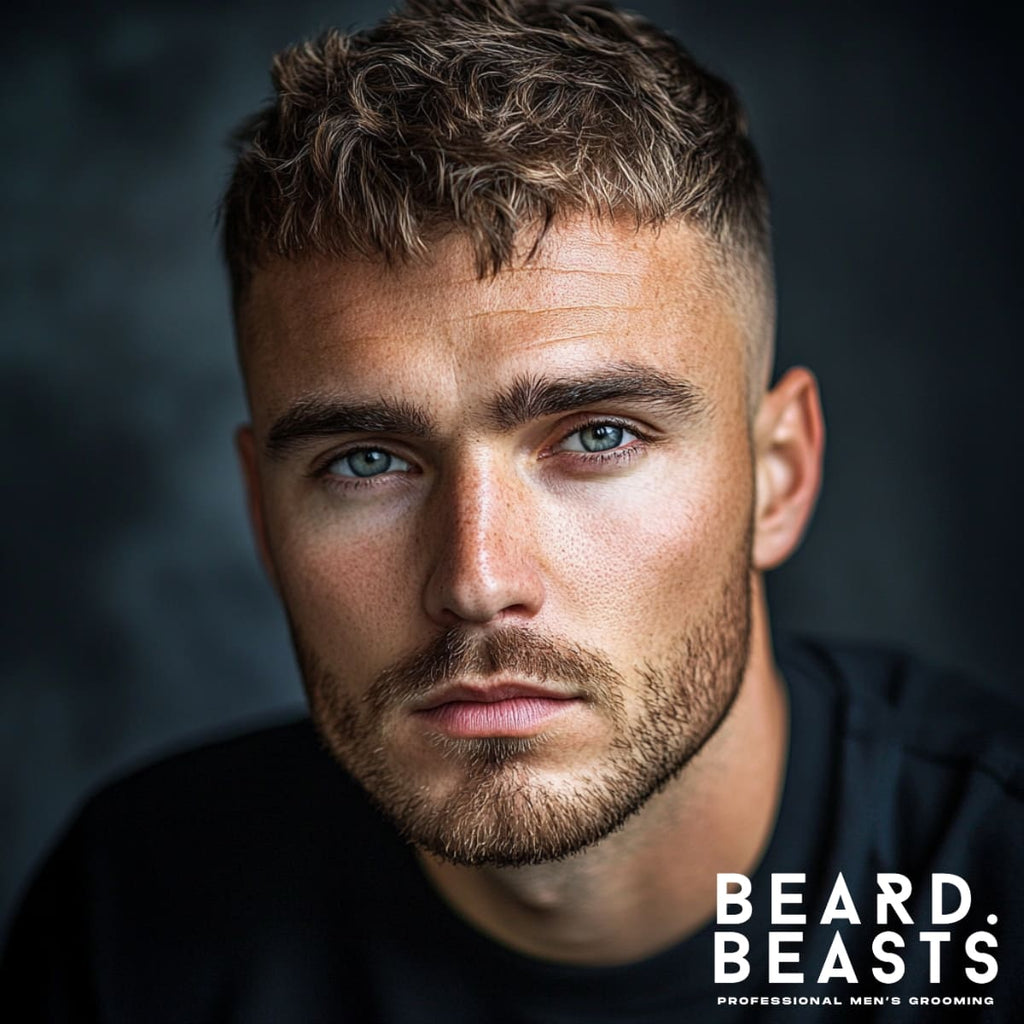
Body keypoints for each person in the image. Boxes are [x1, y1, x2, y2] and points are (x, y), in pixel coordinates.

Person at [2, 1, 1021, 1020]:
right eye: (366, 460)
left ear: (779, 474)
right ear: (264, 517)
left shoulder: (992, 885)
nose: (478, 579)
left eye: (597, 437)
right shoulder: (134, 915)